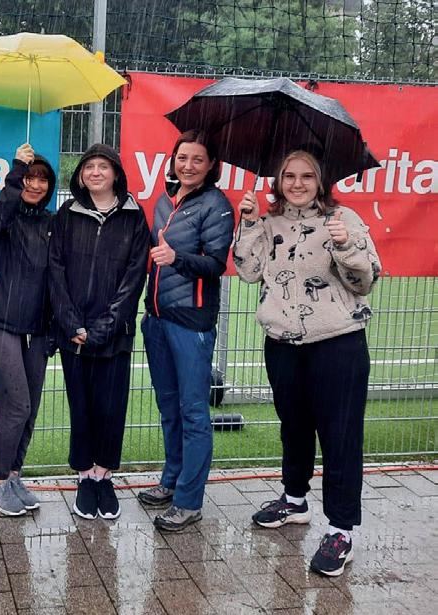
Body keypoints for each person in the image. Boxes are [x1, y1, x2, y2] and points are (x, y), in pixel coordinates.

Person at [233, 149, 381, 576]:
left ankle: (341, 529)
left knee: (340, 436)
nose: (297, 184)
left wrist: (344, 245)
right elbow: (247, 271)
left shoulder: (344, 219)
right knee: (294, 426)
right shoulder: (268, 222)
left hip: (337, 345)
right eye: (289, 176)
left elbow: (365, 281)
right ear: (278, 182)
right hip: (282, 344)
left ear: (321, 181)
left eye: (307, 176)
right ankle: (294, 500)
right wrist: (247, 224)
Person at [137, 130, 235, 532]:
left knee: (194, 412)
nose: (188, 165)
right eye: (182, 158)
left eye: (197, 159)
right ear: (173, 160)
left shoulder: (217, 205)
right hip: (157, 320)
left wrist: (177, 258)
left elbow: (215, 265)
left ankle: (189, 501)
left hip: (191, 322)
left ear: (211, 165)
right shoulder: (165, 199)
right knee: (169, 407)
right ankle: (172, 480)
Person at [48, 143, 150, 520]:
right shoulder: (66, 215)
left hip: (115, 334)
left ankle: (104, 476)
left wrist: (105, 327)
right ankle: (84, 477)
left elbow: (134, 276)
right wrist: (71, 322)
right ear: (80, 175)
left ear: (116, 173)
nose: (95, 172)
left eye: (102, 166)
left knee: (110, 407)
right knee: (81, 405)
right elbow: (55, 270)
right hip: (73, 332)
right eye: (88, 166)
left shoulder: (134, 216)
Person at [0, 143, 56, 516]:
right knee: (15, 406)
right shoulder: (1, 212)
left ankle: (13, 476)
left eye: (42, 179)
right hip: (1, 321)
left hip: (38, 329)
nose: (34, 185)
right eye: (29, 177)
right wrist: (15, 171)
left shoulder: (53, 223)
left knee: (31, 408)